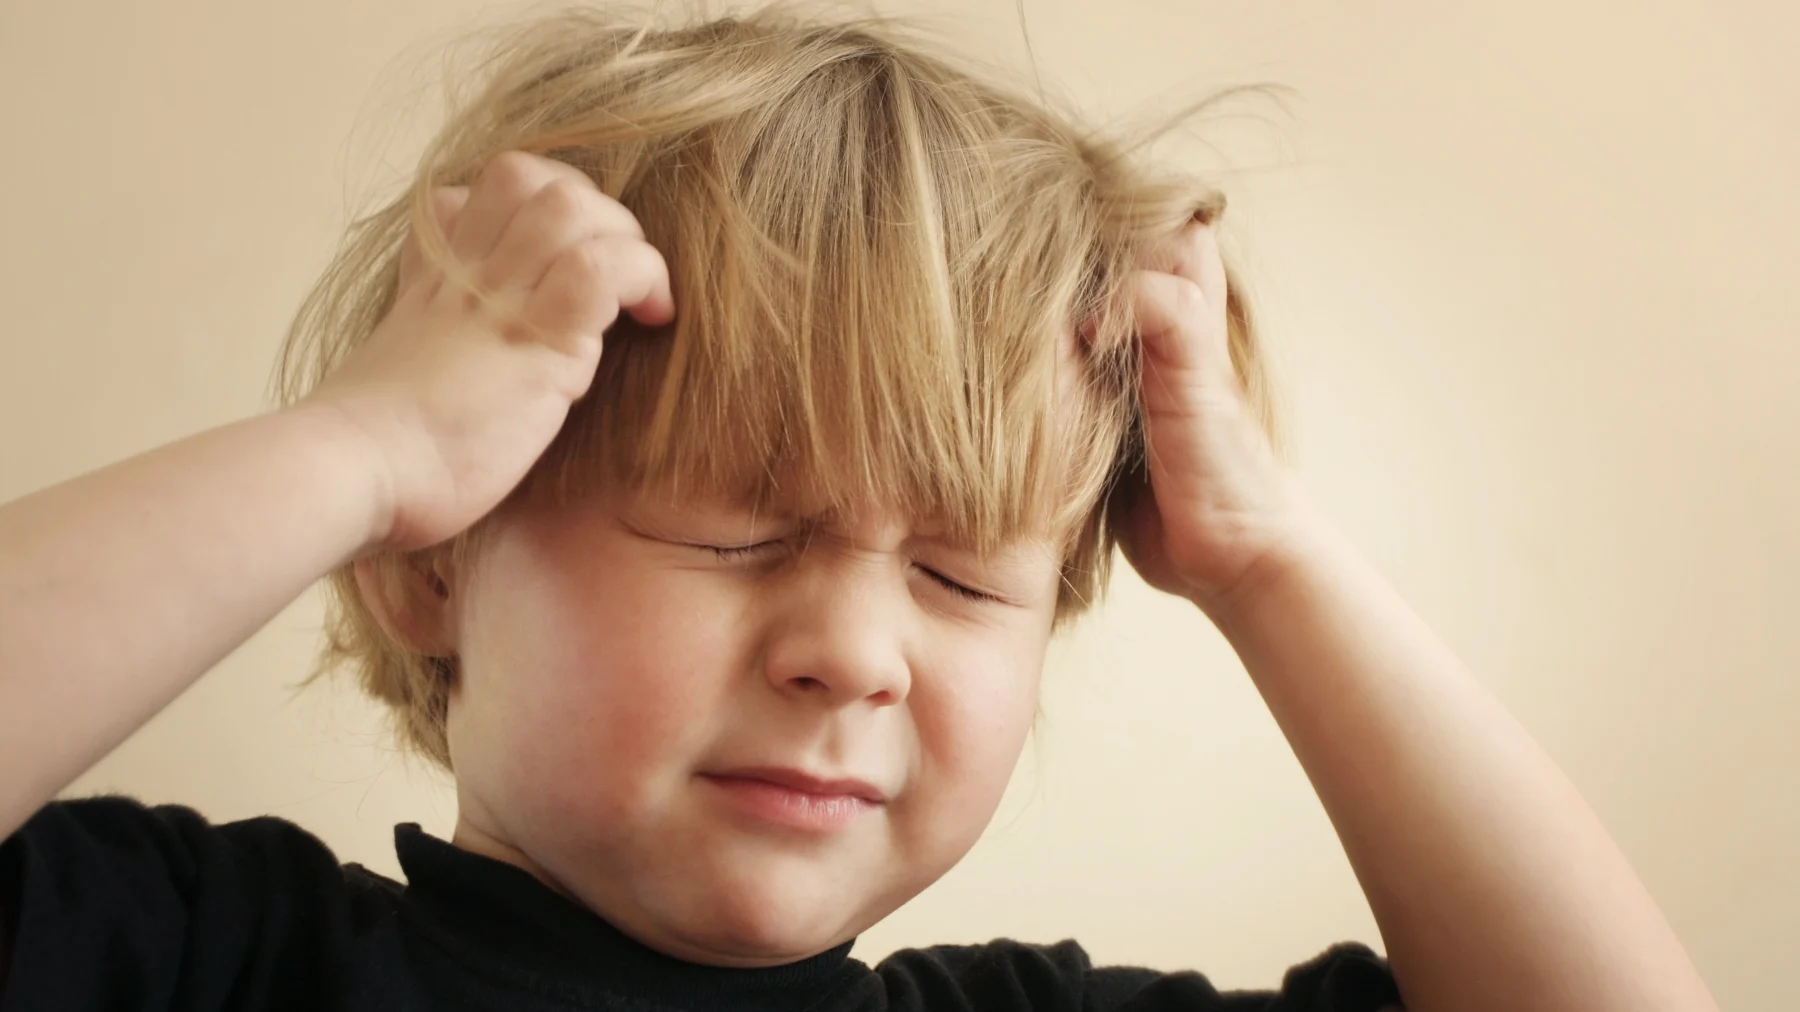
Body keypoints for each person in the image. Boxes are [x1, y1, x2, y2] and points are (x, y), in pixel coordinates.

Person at [0, 7, 1718, 1011]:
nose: (856, 654)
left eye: (970, 578)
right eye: (738, 535)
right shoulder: (200, 961)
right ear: (434, 564)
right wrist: (361, 452)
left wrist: (1267, 557)